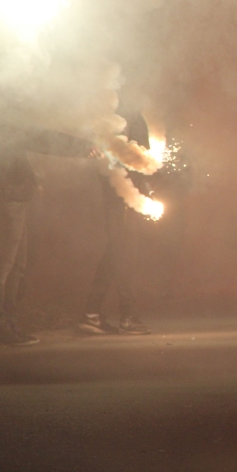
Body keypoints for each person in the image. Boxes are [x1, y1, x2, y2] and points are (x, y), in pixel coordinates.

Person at [0, 119, 98, 345]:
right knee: (3, 265)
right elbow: (37, 137)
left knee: (15, 265)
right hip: (5, 197)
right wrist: (82, 147)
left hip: (11, 195)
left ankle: (7, 324)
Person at [77, 112, 151, 335]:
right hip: (118, 187)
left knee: (117, 250)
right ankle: (126, 315)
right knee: (122, 249)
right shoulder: (117, 111)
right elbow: (132, 155)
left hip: (123, 187)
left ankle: (92, 314)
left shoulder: (127, 111)